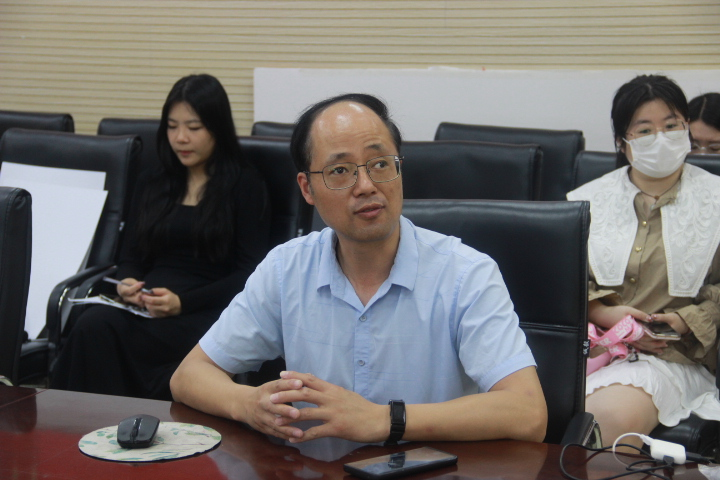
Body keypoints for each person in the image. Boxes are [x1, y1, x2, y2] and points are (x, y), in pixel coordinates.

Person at [170, 93, 547, 445]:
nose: (366, 185)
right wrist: (248, 403)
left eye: (380, 164)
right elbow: (188, 376)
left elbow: (528, 413)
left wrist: (386, 419)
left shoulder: (466, 273)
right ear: (307, 189)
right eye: (340, 170)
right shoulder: (287, 269)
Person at [50, 74, 271, 400]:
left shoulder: (245, 185)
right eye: (172, 126)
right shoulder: (154, 181)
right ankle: (80, 421)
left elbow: (250, 274)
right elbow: (130, 257)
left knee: (108, 333)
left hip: (209, 311)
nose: (181, 138)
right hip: (147, 307)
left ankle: (126, 419)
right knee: (92, 324)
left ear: (217, 128)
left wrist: (183, 303)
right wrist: (127, 283)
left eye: (194, 127)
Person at [567, 75, 720, 449]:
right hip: (587, 351)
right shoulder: (585, 200)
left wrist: (684, 320)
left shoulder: (715, 199)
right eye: (645, 130)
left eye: (671, 126)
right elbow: (558, 280)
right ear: (623, 142)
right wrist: (604, 312)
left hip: (672, 359)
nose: (662, 138)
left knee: (599, 422)